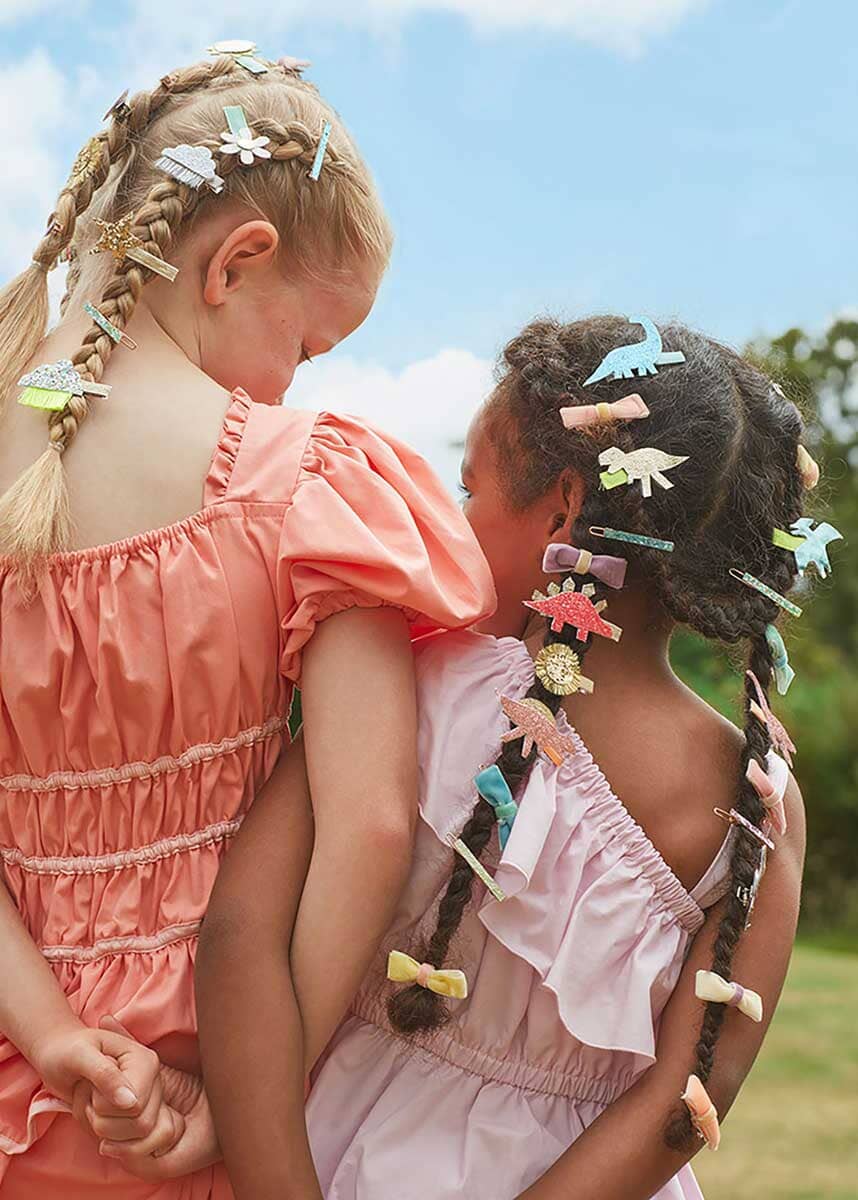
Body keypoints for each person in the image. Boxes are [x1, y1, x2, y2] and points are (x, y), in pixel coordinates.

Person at [0, 51, 494, 1198]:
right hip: (222, 1099)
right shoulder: (308, 485)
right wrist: (249, 1092)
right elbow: (370, 823)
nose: (292, 383)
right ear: (235, 263)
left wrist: (56, 1037)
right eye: (308, 346)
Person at [199, 315, 815, 1199]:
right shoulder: (752, 802)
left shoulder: (411, 687)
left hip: (332, 1154)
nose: (457, 523)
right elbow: (695, 1091)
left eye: (470, 491)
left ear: (564, 509)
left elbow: (239, 934)